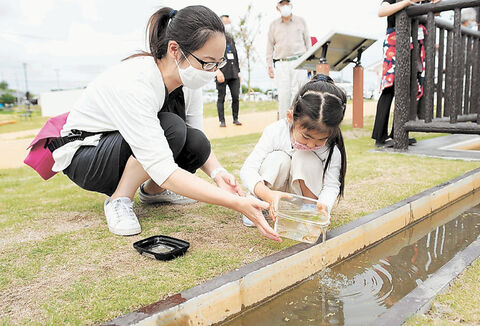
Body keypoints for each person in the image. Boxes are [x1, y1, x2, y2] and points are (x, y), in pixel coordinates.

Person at [48, 6, 281, 242]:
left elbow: (195, 138)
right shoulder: (137, 83)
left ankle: (153, 192)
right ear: (174, 49)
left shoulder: (189, 79)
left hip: (119, 143)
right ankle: (119, 200)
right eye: (208, 62)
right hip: (86, 155)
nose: (213, 72)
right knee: (172, 127)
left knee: (195, 140)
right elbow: (164, 168)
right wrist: (237, 203)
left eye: (218, 64)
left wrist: (218, 174)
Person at [240, 74, 347, 227]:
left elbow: (331, 185)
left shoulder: (331, 148)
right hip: (271, 194)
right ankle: (259, 205)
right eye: (306, 136)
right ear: (290, 117)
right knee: (278, 158)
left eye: (320, 140)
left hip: (299, 199)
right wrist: (267, 195)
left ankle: (309, 210)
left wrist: (323, 206)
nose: (311, 144)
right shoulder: (275, 131)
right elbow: (248, 170)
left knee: (305, 157)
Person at [372, 0, 440, 147]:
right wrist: (408, 2)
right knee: (389, 87)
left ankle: (399, 133)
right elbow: (381, 11)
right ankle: (380, 136)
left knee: (409, 90)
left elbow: (436, 11)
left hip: (416, 44)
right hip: (394, 43)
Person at [266, 0, 310, 120]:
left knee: (299, 93)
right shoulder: (273, 25)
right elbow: (270, 46)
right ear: (277, 7)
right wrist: (269, 65)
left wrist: (309, 63)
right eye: (282, 4)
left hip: (299, 62)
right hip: (282, 63)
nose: (285, 6)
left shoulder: (301, 21)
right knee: (284, 94)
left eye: (287, 3)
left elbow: (308, 43)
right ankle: (283, 123)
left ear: (291, 5)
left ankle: (298, 121)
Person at [216, 15, 242, 128]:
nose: (228, 25)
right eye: (226, 23)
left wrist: (239, 71)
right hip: (222, 72)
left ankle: (235, 118)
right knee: (221, 97)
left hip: (234, 72)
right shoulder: (216, 38)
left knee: (235, 96)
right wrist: (217, 71)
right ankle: (222, 121)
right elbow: (213, 56)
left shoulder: (231, 38)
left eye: (229, 23)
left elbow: (235, 56)